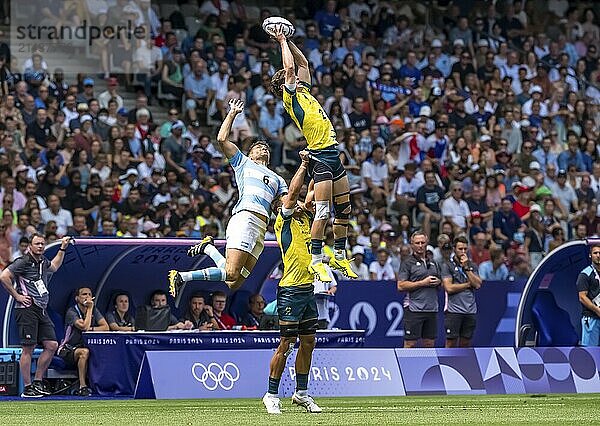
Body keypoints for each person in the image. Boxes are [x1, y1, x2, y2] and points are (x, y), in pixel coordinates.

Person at [169, 99, 288, 295]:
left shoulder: (277, 178)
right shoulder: (243, 162)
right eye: (258, 147)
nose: (263, 148)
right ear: (250, 153)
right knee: (231, 273)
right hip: (245, 218)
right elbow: (222, 139)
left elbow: (285, 202)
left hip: (261, 228)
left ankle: (208, 249)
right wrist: (233, 113)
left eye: (265, 147)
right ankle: (182, 276)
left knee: (234, 283)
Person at [271, 26, 357, 282]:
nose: (297, 77)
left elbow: (304, 62)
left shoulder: (305, 91)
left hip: (333, 154)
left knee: (344, 209)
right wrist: (282, 41)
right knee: (321, 212)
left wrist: (292, 42)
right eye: (293, 78)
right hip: (319, 157)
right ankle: (317, 260)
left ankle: (340, 255)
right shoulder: (291, 99)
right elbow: (289, 69)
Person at [263, 148, 321, 414]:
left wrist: (321, 167)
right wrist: (304, 164)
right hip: (290, 290)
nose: (296, 202)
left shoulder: (305, 219)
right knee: (285, 344)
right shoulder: (282, 222)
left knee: (308, 342)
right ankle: (271, 394)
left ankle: (301, 393)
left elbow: (312, 192)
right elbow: (296, 193)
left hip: (308, 289)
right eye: (289, 200)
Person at [0, 234, 71, 398]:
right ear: (30, 246)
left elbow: (54, 266)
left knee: (52, 345)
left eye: (42, 244)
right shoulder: (23, 261)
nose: (40, 246)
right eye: (37, 244)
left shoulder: (42, 262)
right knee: (28, 348)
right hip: (26, 310)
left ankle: (38, 381)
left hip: (41, 309)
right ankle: (27, 387)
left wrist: (62, 249)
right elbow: (4, 277)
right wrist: (17, 296)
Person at [58, 286, 109, 396]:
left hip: (86, 346)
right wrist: (90, 309)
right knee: (84, 352)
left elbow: (105, 327)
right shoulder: (72, 311)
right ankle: (83, 386)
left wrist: (92, 328)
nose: (87, 297)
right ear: (77, 298)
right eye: (84, 294)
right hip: (68, 349)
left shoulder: (94, 310)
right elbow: (84, 327)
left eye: (90, 294)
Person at [397, 231, 442, 348]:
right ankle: (406, 366)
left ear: (427, 243)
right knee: (410, 343)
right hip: (414, 308)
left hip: (431, 309)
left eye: (423, 242)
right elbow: (400, 285)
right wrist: (423, 283)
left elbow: (440, 283)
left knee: (429, 344)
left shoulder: (434, 263)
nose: (420, 245)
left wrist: (438, 282)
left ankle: (428, 366)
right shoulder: (407, 263)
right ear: (412, 244)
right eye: (417, 243)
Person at [441, 236, 482, 348]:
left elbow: (478, 284)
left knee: (466, 342)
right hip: (454, 311)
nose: (463, 252)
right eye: (460, 249)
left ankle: (463, 365)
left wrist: (467, 268)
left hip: (470, 310)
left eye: (465, 249)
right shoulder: (447, 265)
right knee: (451, 342)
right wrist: (468, 284)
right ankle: (447, 364)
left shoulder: (472, 266)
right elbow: (449, 288)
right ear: (454, 248)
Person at [576, 244, 600, 346]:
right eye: (595, 253)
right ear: (590, 255)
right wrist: (597, 310)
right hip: (591, 318)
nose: (598, 255)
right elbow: (582, 297)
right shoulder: (585, 274)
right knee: (591, 352)